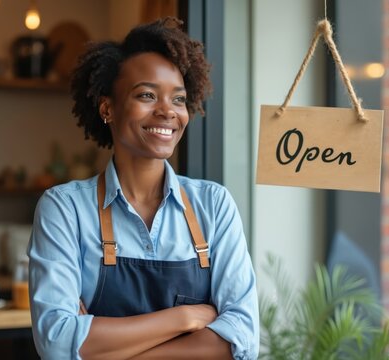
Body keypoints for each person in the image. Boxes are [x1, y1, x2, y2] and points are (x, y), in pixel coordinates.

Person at [28, 17, 259, 360]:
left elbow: (242, 340)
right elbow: (57, 343)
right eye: (147, 95)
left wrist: (100, 344)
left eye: (178, 99)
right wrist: (186, 318)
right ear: (108, 108)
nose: (167, 111)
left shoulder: (213, 205)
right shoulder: (65, 209)